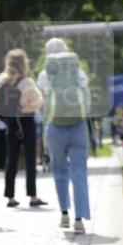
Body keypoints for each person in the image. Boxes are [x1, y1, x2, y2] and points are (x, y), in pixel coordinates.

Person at [38, 37, 92, 232]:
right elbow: (87, 99)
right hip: (77, 125)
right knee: (79, 172)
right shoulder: (79, 72)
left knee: (60, 171)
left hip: (55, 127)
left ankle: (64, 215)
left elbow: (43, 102)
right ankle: (79, 220)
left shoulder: (44, 75)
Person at [0, 48, 47, 208]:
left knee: (11, 160)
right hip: (26, 122)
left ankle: (10, 197)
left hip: (11, 123)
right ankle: (32, 196)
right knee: (31, 159)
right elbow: (39, 103)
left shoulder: (2, 81)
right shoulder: (27, 82)